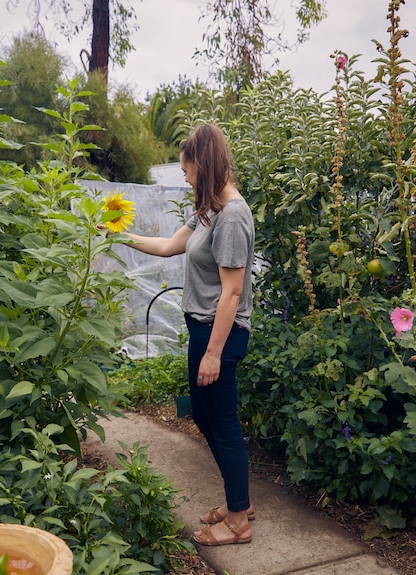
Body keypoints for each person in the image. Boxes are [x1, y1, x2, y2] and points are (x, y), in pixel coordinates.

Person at [120, 123, 256, 546]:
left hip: (221, 334)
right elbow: (167, 246)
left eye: (187, 169)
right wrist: (117, 235)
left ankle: (238, 522)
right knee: (203, 414)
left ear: (203, 162)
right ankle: (241, 501)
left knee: (222, 420)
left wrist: (214, 353)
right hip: (203, 330)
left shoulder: (232, 216)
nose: (185, 176)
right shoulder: (210, 212)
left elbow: (232, 292)